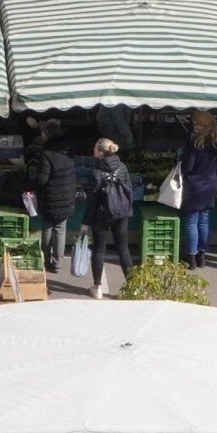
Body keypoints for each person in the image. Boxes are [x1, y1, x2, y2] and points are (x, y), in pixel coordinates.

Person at [79, 138, 134, 300]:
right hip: (121, 214)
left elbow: (92, 202)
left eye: (95, 148)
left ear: (101, 152)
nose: (93, 149)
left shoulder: (96, 173)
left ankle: (98, 288)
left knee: (99, 250)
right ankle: (133, 286)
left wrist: (85, 223)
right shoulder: (122, 167)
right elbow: (129, 190)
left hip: (101, 215)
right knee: (123, 249)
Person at [26, 118, 76, 274]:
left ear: (45, 134)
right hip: (67, 195)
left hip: (50, 196)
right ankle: (58, 262)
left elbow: (42, 179)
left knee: (47, 228)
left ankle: (46, 259)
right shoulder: (69, 149)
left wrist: (28, 185)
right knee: (60, 229)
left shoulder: (46, 154)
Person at [180, 111, 217, 270]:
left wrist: (182, 161)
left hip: (195, 185)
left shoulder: (195, 143)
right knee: (204, 219)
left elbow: (188, 167)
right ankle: (202, 255)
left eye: (196, 123)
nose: (194, 126)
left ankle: (191, 258)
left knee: (191, 220)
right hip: (211, 183)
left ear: (203, 124)